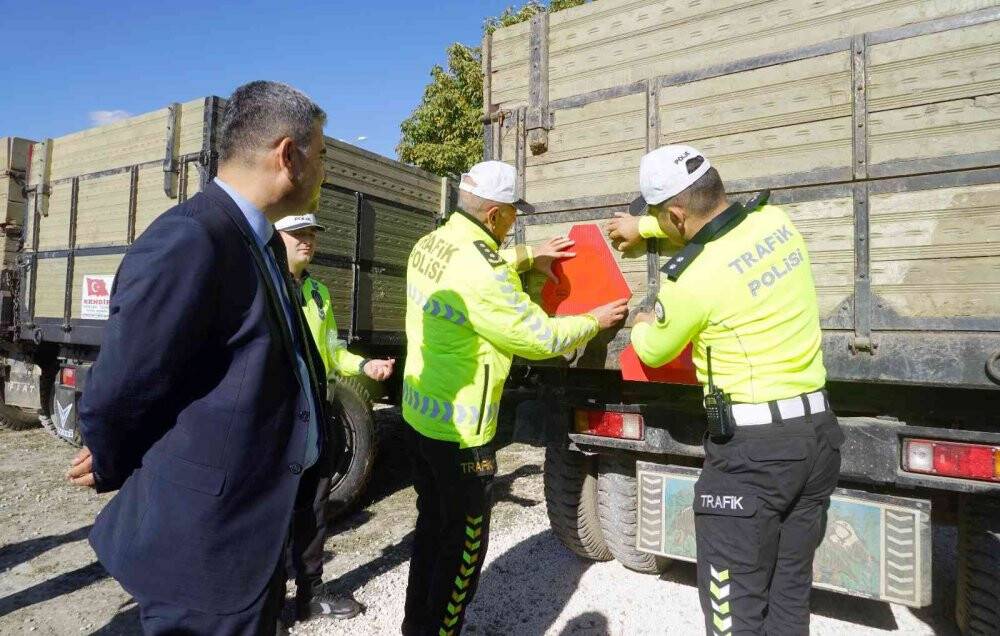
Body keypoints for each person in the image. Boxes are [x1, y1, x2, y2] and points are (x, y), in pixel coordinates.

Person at [67, 81, 334, 635]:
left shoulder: (253, 241)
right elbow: (121, 387)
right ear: (288, 155)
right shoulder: (195, 237)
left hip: (249, 534)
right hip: (206, 546)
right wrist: (111, 455)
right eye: (323, 155)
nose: (325, 172)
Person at [616, 145, 843, 635]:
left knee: (733, 613)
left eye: (658, 216)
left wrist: (640, 320)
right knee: (788, 598)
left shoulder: (690, 280)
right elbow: (714, 225)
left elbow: (652, 350)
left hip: (753, 460)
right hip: (819, 440)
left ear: (675, 214)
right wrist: (648, 229)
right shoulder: (778, 224)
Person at [401, 160, 629, 636]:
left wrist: (528, 256)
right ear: (493, 216)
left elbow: (477, 267)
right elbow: (538, 338)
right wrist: (595, 319)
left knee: (430, 536)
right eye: (509, 215)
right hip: (464, 438)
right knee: (462, 551)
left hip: (421, 421)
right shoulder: (482, 267)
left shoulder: (432, 243)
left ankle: (416, 629)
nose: (512, 223)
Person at [275, 213, 394, 622]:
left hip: (318, 416)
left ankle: (311, 593)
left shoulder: (318, 291)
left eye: (311, 234)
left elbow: (332, 351)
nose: (306, 241)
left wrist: (365, 367)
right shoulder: (264, 287)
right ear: (276, 236)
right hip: (278, 418)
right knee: (272, 511)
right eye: (297, 234)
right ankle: (268, 605)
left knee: (314, 505)